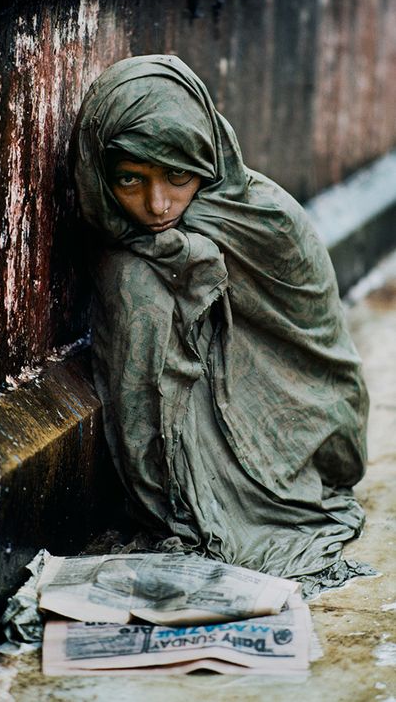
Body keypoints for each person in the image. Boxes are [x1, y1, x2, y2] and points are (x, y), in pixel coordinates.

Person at [75, 55, 371, 595]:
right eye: (128, 180)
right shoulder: (128, 242)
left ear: (209, 161)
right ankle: (174, 494)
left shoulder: (266, 219)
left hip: (308, 437)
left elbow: (317, 359)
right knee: (133, 279)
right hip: (202, 436)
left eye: (179, 176)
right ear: (96, 173)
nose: (156, 204)